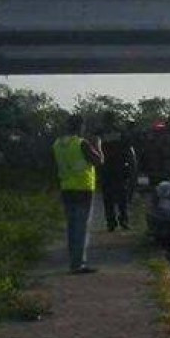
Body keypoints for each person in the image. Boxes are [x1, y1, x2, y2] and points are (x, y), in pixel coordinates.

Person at [53, 114, 104, 274]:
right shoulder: (81, 144)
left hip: (66, 188)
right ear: (81, 127)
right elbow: (99, 161)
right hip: (83, 189)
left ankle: (73, 261)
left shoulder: (57, 144)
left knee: (71, 226)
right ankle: (78, 264)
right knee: (81, 227)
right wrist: (98, 146)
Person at [98, 112, 138, 231]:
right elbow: (129, 149)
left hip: (106, 169)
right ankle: (123, 221)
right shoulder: (121, 132)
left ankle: (111, 223)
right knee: (122, 197)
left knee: (108, 198)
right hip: (119, 168)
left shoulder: (100, 133)